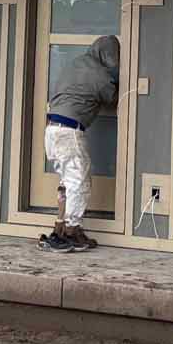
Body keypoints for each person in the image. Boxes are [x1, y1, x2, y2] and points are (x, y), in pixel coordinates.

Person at [39, 35, 120, 253]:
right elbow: (112, 97)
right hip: (69, 131)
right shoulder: (99, 74)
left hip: (52, 130)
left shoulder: (74, 63)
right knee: (79, 182)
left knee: (66, 182)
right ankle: (71, 231)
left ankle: (59, 228)